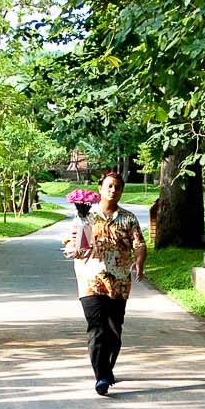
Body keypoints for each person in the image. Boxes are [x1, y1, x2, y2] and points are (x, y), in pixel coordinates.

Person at [63, 168, 146, 395]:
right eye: (109, 186)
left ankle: (107, 369)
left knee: (114, 331)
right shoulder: (85, 216)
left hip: (119, 282)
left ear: (121, 191)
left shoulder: (128, 218)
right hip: (90, 279)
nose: (113, 190)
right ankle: (102, 376)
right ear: (100, 188)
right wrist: (74, 247)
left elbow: (139, 244)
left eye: (117, 187)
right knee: (97, 327)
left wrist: (139, 262)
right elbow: (70, 242)